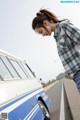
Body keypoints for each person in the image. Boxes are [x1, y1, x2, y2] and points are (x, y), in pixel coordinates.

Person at [32, 9, 80, 93]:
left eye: (41, 31)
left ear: (45, 23)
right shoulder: (57, 37)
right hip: (76, 76)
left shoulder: (64, 27)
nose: (42, 35)